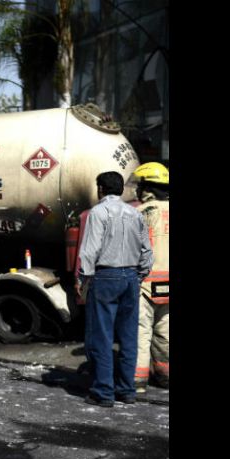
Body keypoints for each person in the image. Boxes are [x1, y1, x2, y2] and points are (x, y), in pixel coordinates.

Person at [77, 171, 153, 407]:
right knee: (129, 336)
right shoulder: (135, 213)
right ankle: (126, 390)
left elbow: (90, 250)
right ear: (120, 190)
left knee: (102, 336)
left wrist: (83, 278)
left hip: (106, 276)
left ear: (100, 189)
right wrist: (138, 275)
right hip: (131, 276)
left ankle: (103, 392)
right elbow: (147, 252)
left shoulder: (97, 213)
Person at [131, 162, 169, 393]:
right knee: (165, 333)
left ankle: (138, 381)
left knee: (140, 332)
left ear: (147, 187)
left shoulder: (140, 213)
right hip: (168, 284)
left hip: (144, 283)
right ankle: (165, 377)